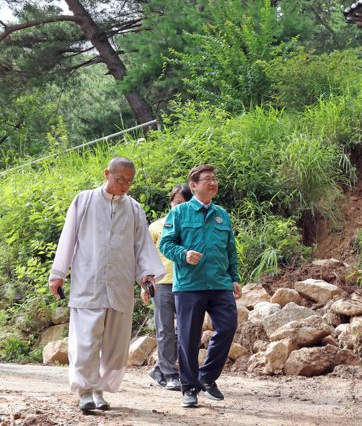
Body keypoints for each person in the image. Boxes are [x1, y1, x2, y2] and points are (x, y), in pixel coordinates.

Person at [48, 156, 166, 412]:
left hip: (120, 283)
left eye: (129, 181)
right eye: (120, 178)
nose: (124, 184)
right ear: (107, 174)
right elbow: (68, 237)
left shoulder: (134, 209)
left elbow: (142, 246)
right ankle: (85, 392)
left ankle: (99, 389)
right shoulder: (84, 200)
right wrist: (58, 273)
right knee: (86, 341)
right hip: (88, 282)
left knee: (114, 344)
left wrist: (146, 275)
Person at [159, 164, 241, 408]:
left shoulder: (222, 214)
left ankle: (206, 377)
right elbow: (165, 244)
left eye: (215, 179)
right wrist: (184, 254)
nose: (213, 183)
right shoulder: (179, 213)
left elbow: (230, 249)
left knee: (227, 327)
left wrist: (234, 277)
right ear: (193, 186)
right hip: (189, 285)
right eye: (208, 179)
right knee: (188, 337)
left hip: (219, 284)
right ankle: (189, 387)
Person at [146, 184, 193, 391]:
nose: (178, 206)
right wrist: (145, 285)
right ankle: (170, 373)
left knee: (184, 330)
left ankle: (161, 368)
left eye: (183, 203)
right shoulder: (157, 227)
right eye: (176, 202)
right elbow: (145, 257)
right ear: (171, 202)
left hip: (188, 284)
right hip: (162, 283)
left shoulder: (193, 226)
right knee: (165, 329)